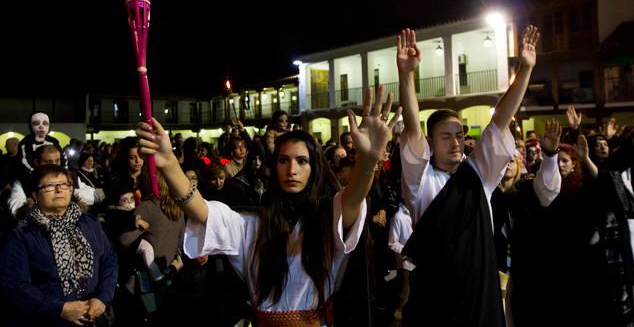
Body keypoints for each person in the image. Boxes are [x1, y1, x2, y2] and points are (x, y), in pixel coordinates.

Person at [135, 86, 400, 324]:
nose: (292, 169)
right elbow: (201, 210)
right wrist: (169, 162)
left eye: (302, 161)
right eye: (284, 160)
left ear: (314, 169)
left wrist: (367, 162)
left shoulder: (328, 218)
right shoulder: (252, 225)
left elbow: (353, 197)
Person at [397, 25, 539, 326]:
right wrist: (406, 75)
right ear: (430, 143)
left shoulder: (479, 175)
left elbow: (500, 121)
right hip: (435, 303)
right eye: (446, 136)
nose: (456, 142)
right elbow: (412, 128)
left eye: (460, 135)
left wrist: (525, 70)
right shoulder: (419, 182)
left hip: (480, 301)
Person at [0, 164, 118, 327]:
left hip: (96, 317)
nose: (59, 190)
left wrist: (103, 297)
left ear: (71, 189)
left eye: (64, 184)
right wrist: (59, 309)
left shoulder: (89, 223)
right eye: (49, 186)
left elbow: (109, 260)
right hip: (50, 320)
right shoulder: (22, 235)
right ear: (35, 195)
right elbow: (14, 284)